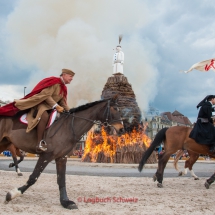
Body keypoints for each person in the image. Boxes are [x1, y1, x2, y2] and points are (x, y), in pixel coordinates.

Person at [8, 68, 74, 152]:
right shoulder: (54, 82)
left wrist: (71, 111)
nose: (72, 78)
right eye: (70, 76)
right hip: (41, 104)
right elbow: (46, 96)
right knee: (44, 116)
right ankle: (39, 142)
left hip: (51, 107)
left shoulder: (63, 88)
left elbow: (62, 102)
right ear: (64, 75)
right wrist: (56, 106)